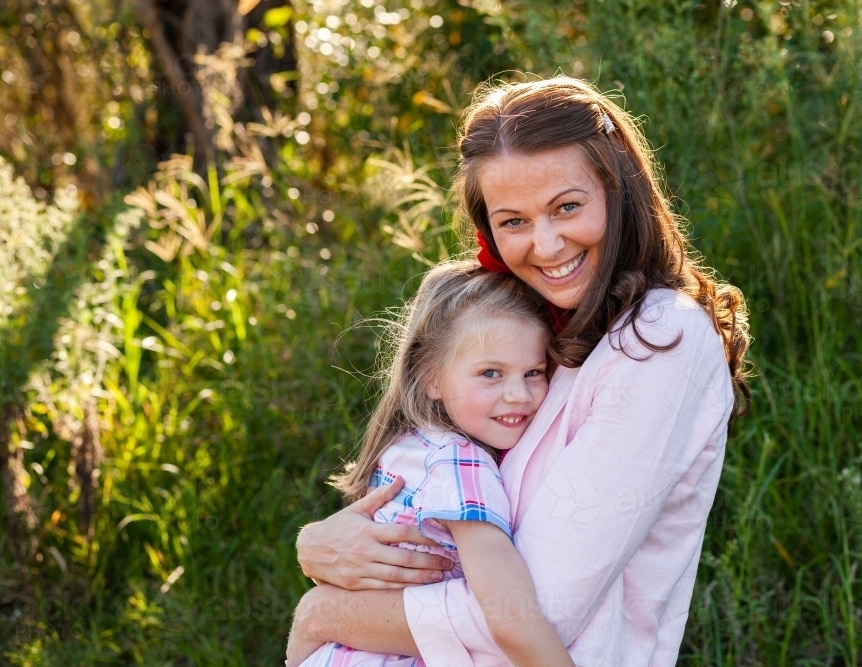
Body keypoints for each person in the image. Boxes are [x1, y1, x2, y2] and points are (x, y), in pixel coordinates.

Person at [288, 76, 751, 666]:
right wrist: (319, 543)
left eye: (568, 207)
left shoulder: (659, 338)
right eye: (513, 222)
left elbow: (541, 611)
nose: (548, 244)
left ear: (620, 193)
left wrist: (327, 612)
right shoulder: (534, 335)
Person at [290, 261, 575, 667]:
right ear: (431, 377)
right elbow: (511, 618)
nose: (519, 394)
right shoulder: (460, 463)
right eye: (491, 373)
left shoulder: (411, 445)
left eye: (534, 372)